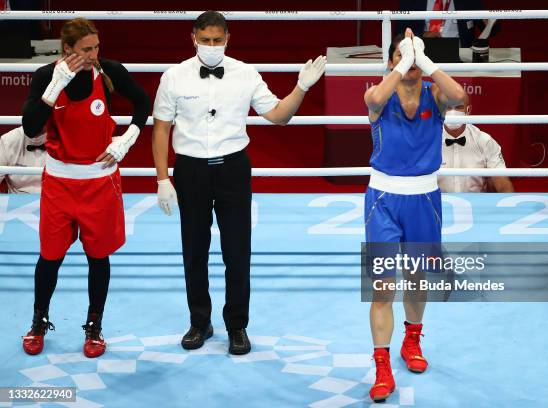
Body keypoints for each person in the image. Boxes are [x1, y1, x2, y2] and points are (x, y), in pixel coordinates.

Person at [152, 11, 325, 355]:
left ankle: (237, 325)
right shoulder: (173, 77)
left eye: (218, 40)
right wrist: (162, 178)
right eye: (206, 41)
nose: (212, 46)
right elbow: (161, 128)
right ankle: (199, 321)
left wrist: (301, 86)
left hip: (233, 168)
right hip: (191, 170)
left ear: (228, 39)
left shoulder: (246, 74)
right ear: (193, 39)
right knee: (194, 251)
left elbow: (278, 116)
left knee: (237, 252)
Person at [20, 18, 149, 358]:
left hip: (99, 182)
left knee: (98, 257)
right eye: (86, 49)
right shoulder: (46, 76)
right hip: (60, 184)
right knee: (50, 257)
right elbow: (31, 127)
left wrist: (127, 140)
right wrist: (53, 88)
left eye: (96, 47)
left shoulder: (108, 73)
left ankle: (94, 326)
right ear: (67, 50)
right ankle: (38, 321)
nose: (94, 54)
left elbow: (143, 102)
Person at [363, 28, 466, 402]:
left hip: (424, 197)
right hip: (384, 199)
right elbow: (374, 96)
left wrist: (425, 61)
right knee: (381, 289)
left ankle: (412, 339)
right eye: (400, 57)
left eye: (411, 59)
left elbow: (460, 96)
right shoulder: (377, 97)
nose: (408, 65)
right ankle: (382, 366)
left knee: (418, 278)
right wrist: (402, 60)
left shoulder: (434, 95)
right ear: (391, 62)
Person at [439, 94, 514, 192]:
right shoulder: (428, 141)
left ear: (468, 110)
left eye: (459, 107)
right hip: (437, 204)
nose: (453, 112)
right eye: (448, 107)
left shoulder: (484, 141)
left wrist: (509, 204)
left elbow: (502, 183)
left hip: (476, 205)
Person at [397, 0, 500, 48]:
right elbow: (399, 33)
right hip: (421, 54)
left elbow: (491, 30)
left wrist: (490, 22)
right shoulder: (410, 1)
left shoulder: (468, 1)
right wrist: (421, 35)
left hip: (460, 57)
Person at [0, 126, 46, 193]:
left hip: (53, 198)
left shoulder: (63, 140)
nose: (36, 137)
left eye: (40, 132)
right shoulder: (7, 141)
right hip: (16, 198)